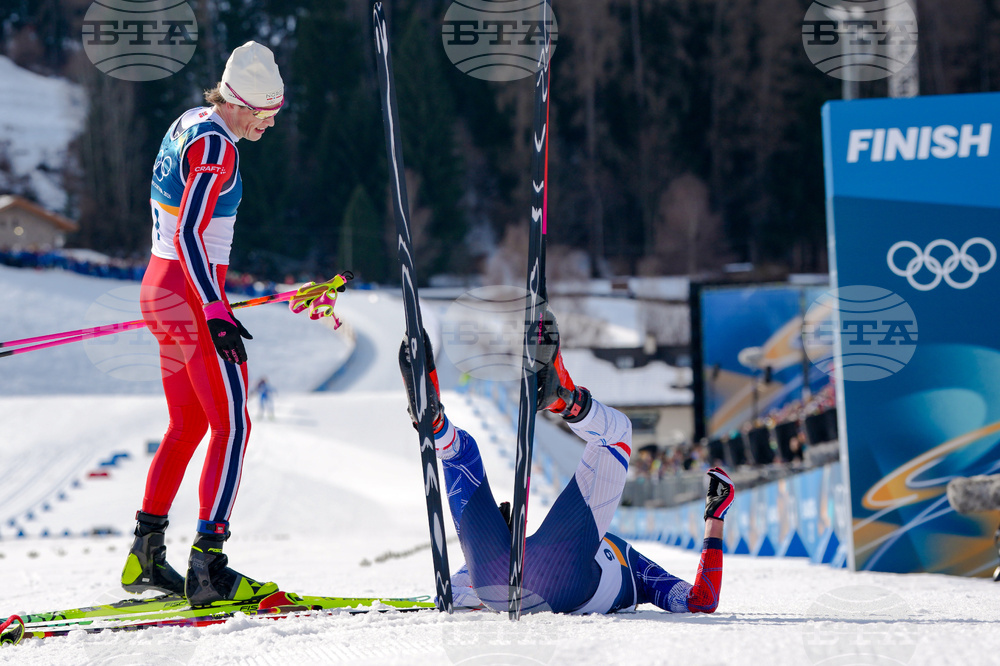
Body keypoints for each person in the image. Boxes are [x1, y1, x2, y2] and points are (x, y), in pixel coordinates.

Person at [399, 318, 735, 614]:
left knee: (616, 433)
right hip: (510, 586)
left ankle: (558, 400)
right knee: (461, 453)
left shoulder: (626, 558)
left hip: (499, 578)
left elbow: (453, 594)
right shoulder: (638, 571)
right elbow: (699, 600)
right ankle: (444, 424)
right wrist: (714, 517)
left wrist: (491, 538)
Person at [121, 41, 285, 606]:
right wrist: (215, 308)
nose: (269, 125)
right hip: (190, 298)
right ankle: (208, 566)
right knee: (232, 425)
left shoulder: (192, 123)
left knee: (187, 424)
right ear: (242, 102)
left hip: (160, 291)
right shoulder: (219, 145)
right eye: (266, 114)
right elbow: (192, 232)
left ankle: (147, 554)